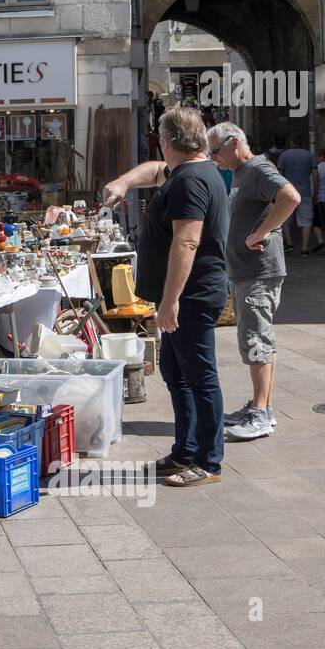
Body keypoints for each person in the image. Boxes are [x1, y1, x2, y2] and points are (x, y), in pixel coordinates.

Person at [103, 108, 229, 487]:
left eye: (160, 136)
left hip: (190, 296)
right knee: (177, 373)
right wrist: (124, 182)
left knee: (201, 377)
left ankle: (208, 462)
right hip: (181, 296)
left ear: (168, 140)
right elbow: (156, 170)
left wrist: (171, 300)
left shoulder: (191, 181)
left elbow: (187, 240)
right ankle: (184, 451)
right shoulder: (188, 171)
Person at [207, 123, 301, 441]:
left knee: (257, 341)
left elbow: (290, 197)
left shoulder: (257, 168)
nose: (213, 158)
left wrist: (261, 233)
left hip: (259, 270)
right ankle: (262, 407)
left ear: (234, 143)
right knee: (260, 339)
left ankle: (260, 413)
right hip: (250, 270)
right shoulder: (243, 171)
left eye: (215, 151)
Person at [276, 133, 319, 255]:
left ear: (291, 143)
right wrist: (316, 192)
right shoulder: (309, 155)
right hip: (304, 192)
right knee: (306, 221)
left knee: (284, 219)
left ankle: (289, 243)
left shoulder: (284, 155)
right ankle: (304, 248)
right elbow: (315, 175)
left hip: (288, 192)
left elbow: (278, 174)